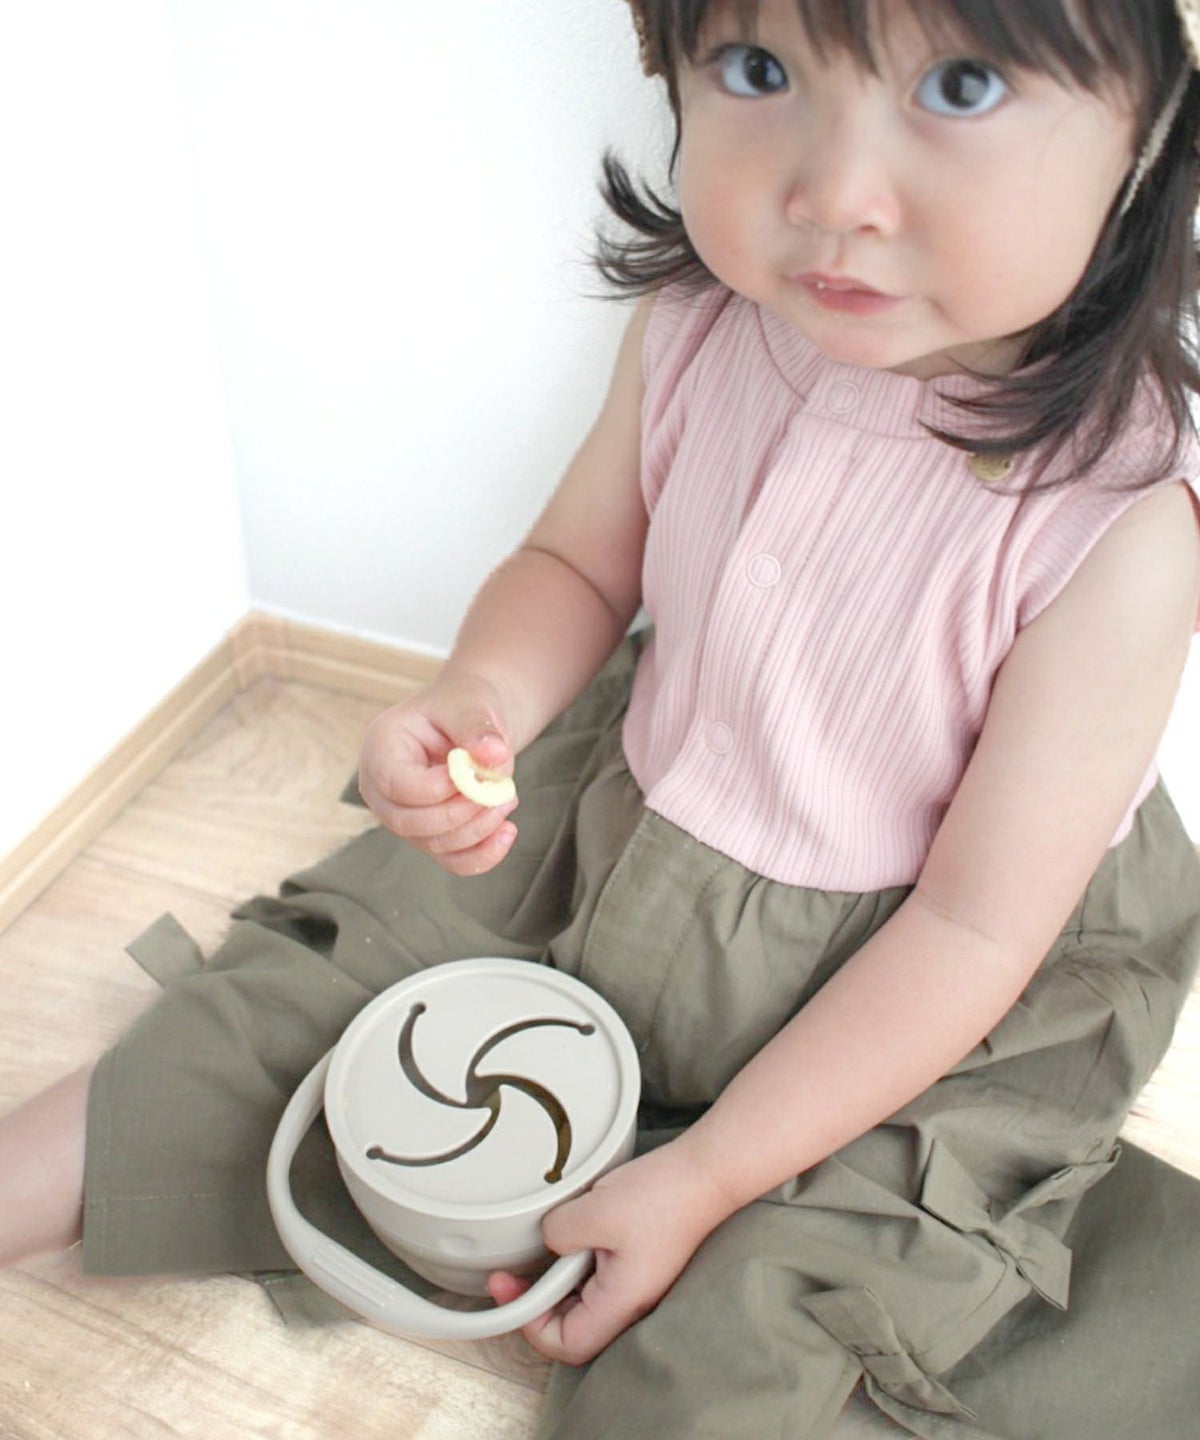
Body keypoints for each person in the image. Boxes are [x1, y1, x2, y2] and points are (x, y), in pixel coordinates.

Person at [4, 1, 1200, 1435]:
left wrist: (705, 1176)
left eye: (959, 86)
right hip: (628, 813)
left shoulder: (1121, 524)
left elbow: (973, 932)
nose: (834, 196)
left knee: (749, 1347)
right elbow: (576, 565)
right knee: (279, 1020)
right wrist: (477, 702)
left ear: (1151, 132)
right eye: (760, 70)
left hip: (928, 970)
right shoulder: (701, 323)